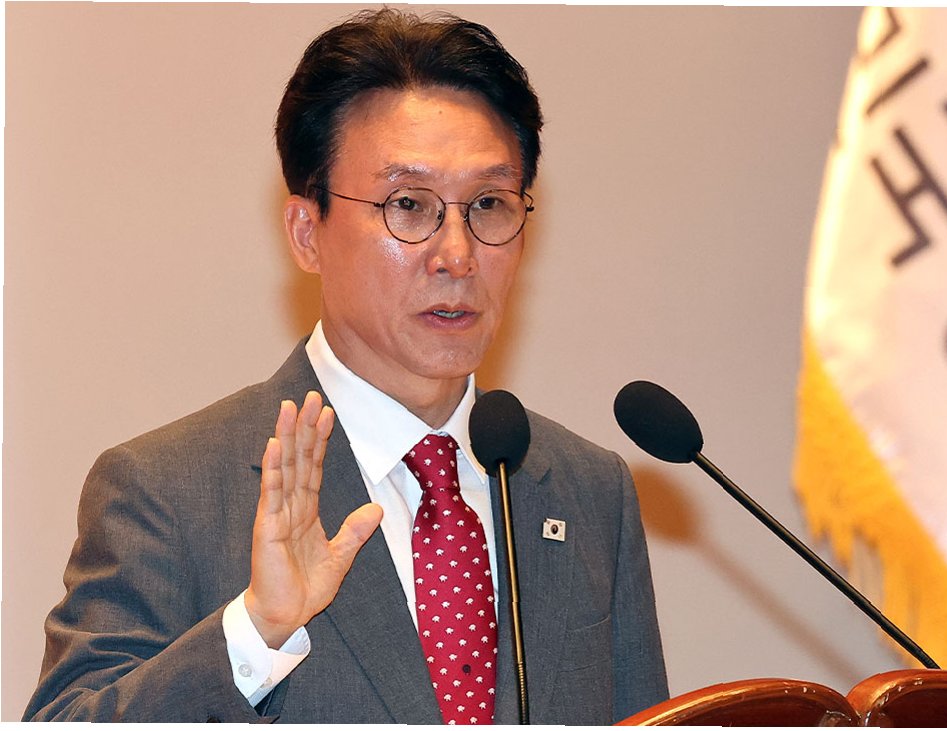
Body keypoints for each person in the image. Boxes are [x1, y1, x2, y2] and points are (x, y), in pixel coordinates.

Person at [24, 8, 668, 724]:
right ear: (307, 232)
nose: (458, 254)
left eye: (488, 203)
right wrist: (256, 632)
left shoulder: (588, 491)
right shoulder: (168, 490)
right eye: (409, 205)